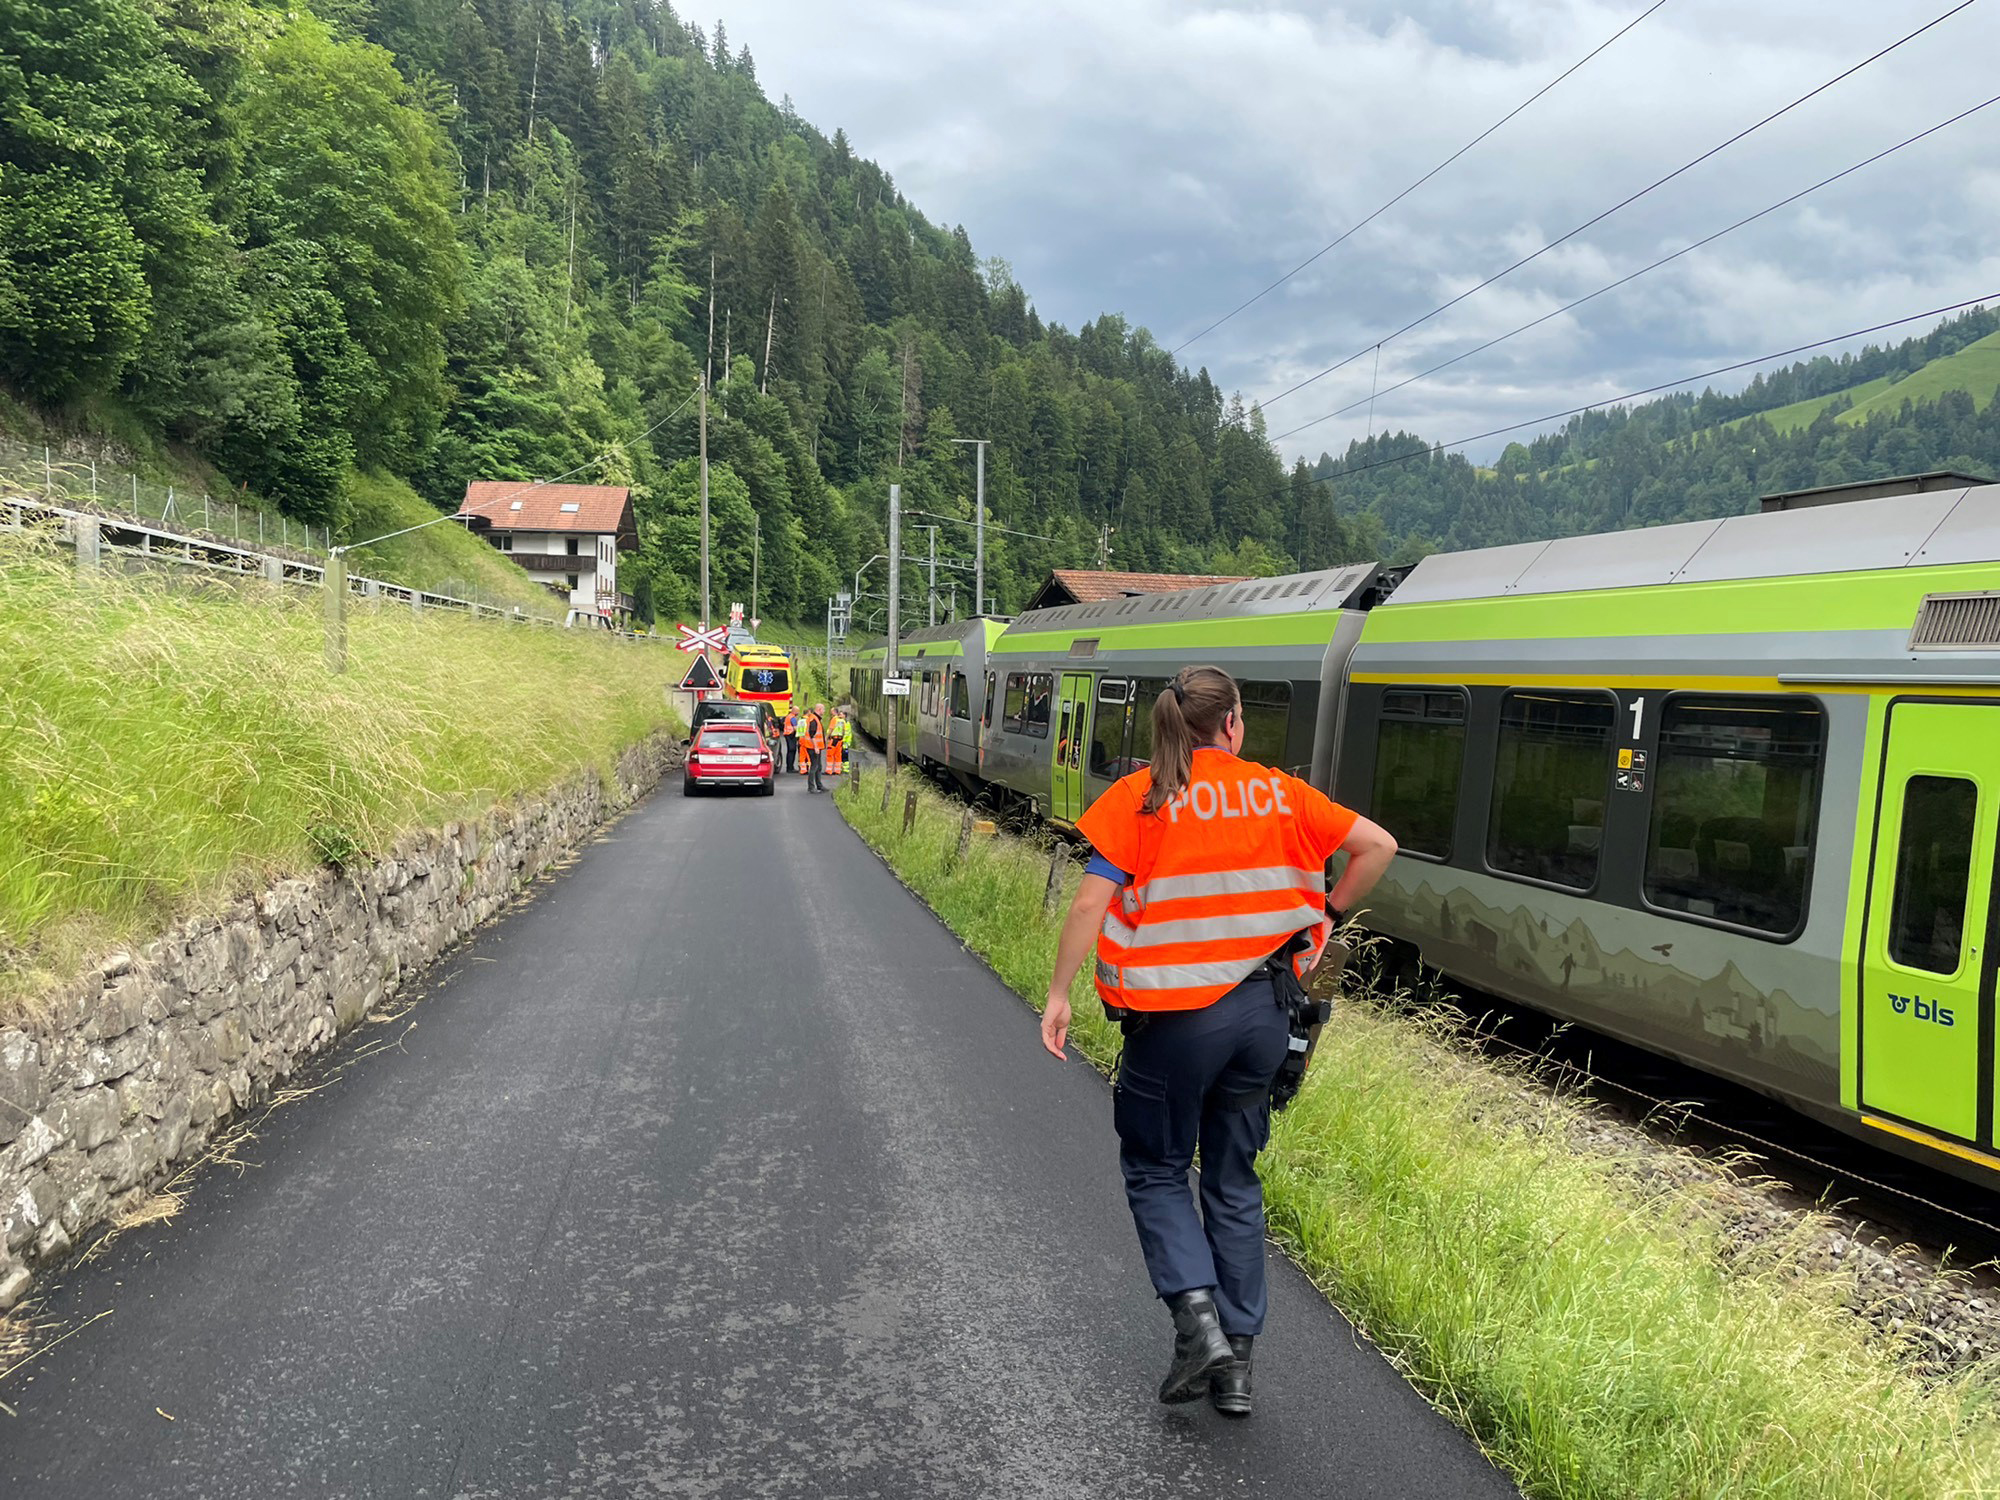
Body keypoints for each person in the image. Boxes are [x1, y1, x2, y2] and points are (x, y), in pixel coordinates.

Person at [1041, 665, 1396, 1419]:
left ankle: (1199, 1329)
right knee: (1233, 1181)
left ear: (1172, 724)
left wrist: (1060, 992)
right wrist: (1323, 910)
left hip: (1174, 1027)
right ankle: (1236, 1370)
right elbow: (1379, 846)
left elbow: (1090, 903)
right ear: (1233, 724)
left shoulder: (1142, 798)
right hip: (1266, 1017)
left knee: (1158, 1169)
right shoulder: (1282, 792)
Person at [802, 702, 828, 793]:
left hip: (815, 747)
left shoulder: (815, 718)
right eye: (823, 709)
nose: (824, 711)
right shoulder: (814, 719)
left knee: (818, 766)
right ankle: (811, 787)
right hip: (813, 747)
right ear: (819, 710)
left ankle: (819, 785)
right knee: (814, 766)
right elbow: (812, 734)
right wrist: (816, 747)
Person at [782, 709, 800, 776]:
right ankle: (790, 768)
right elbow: (795, 728)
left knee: (790, 751)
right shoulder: (793, 718)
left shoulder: (788, 716)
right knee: (792, 751)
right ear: (794, 711)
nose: (798, 712)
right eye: (798, 711)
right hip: (791, 735)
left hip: (787, 735)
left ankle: (789, 767)